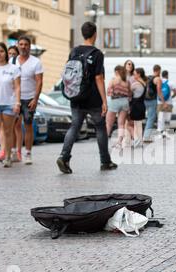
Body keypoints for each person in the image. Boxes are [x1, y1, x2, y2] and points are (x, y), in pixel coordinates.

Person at [56, 21, 117, 174]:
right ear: (95, 34)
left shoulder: (74, 51)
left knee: (74, 127)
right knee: (100, 128)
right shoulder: (97, 54)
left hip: (76, 97)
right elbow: (99, 78)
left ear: (83, 34)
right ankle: (105, 161)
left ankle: (64, 156)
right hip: (93, 99)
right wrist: (104, 100)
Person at [14, 36, 43, 165]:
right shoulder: (12, 61)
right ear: (17, 45)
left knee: (28, 125)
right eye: (21, 44)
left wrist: (35, 99)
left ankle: (28, 153)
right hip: (14, 99)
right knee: (12, 126)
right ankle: (14, 152)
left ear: (29, 46)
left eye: (26, 44)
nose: (23, 46)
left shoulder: (36, 62)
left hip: (29, 99)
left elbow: (39, 81)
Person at [0, 45, 20, 162]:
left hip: (15, 101)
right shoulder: (0, 67)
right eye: (9, 53)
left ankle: (15, 151)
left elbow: (18, 86)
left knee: (14, 128)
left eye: (13, 54)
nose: (11, 56)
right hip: (1, 101)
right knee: (2, 128)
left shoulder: (16, 67)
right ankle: (3, 152)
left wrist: (18, 102)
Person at [106, 65, 130, 149]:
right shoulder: (127, 81)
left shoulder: (113, 80)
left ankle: (104, 142)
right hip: (125, 102)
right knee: (121, 124)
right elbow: (130, 94)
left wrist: (114, 93)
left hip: (115, 101)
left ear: (116, 72)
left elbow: (108, 92)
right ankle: (119, 142)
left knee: (109, 123)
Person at [143, 65, 164, 142]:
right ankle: (146, 137)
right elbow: (159, 90)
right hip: (152, 100)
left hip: (144, 100)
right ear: (159, 70)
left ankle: (141, 135)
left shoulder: (148, 78)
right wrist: (163, 100)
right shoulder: (158, 79)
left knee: (146, 118)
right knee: (151, 118)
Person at [127, 68, 147, 148]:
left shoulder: (136, 84)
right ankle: (139, 141)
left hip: (135, 106)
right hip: (141, 105)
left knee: (131, 124)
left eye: (134, 74)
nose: (133, 75)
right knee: (139, 124)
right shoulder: (144, 83)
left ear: (139, 74)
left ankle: (136, 140)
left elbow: (128, 92)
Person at [157, 70, 176, 137]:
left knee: (161, 117)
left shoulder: (159, 82)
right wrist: (171, 96)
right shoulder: (171, 83)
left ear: (162, 75)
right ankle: (166, 132)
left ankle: (160, 133)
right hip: (169, 102)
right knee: (167, 118)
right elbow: (175, 93)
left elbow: (158, 91)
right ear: (167, 75)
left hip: (160, 102)